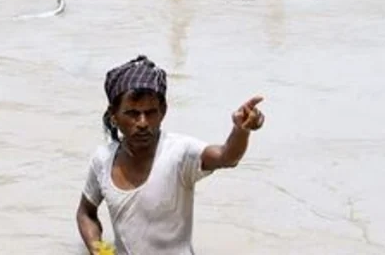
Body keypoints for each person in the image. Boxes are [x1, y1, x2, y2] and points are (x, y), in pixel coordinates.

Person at [75, 55, 265, 255]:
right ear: (113, 116)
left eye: (150, 113)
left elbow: (227, 157)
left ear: (163, 111)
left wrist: (241, 130)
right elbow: (86, 213)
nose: (142, 122)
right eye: (132, 113)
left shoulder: (179, 153)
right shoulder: (103, 159)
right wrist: (99, 250)